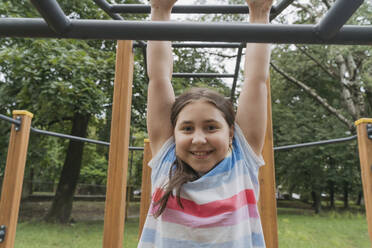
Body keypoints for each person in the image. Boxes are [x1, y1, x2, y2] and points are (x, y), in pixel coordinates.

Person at [138, 0, 272, 247]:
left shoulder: (242, 161)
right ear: (173, 133)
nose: (199, 139)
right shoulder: (167, 160)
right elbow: (158, 78)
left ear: (231, 132)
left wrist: (260, 11)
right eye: (187, 128)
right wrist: (159, 9)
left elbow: (256, 80)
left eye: (211, 127)